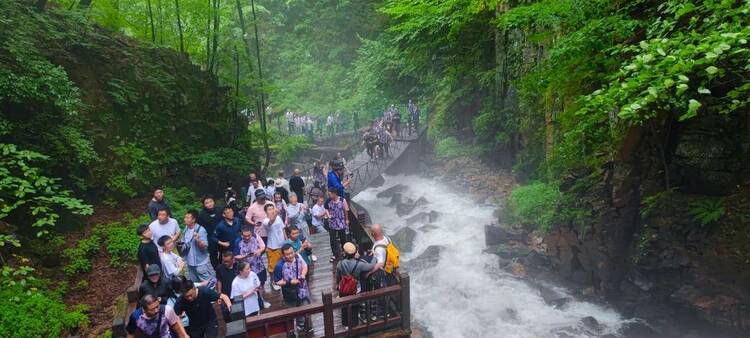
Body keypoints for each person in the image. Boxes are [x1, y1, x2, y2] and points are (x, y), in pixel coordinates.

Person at [273, 244, 311, 335]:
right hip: (290, 293)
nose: (290, 256)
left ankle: (305, 326)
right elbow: (277, 281)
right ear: (283, 255)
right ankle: (292, 331)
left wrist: (303, 274)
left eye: (291, 253)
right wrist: (290, 282)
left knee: (306, 309)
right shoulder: (279, 265)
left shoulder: (298, 257)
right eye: (287, 254)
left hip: (302, 289)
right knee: (291, 313)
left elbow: (305, 266)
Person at [336, 242, 375, 327]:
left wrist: (337, 286)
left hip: (343, 288)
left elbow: (338, 277)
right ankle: (354, 323)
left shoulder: (340, 263)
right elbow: (371, 266)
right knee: (354, 306)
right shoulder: (359, 264)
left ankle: (345, 324)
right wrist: (374, 256)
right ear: (354, 253)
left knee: (344, 305)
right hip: (355, 288)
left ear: (344, 253)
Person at [182, 210, 214, 285]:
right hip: (190, 262)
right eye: (185, 217)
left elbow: (204, 247)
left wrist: (198, 240)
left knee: (207, 283)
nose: (185, 219)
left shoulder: (201, 230)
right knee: (194, 284)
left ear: (193, 219)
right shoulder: (186, 228)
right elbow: (184, 242)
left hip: (200, 263)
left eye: (187, 217)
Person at [232, 226, 267, 290]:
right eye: (245, 236)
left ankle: (261, 296)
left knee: (261, 283)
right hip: (246, 268)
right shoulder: (238, 241)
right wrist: (246, 256)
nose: (247, 237)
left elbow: (263, 246)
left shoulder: (255, 236)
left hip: (258, 265)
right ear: (242, 235)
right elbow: (235, 256)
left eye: (249, 235)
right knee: (250, 285)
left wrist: (259, 251)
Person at [263, 204, 287, 291]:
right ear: (266, 212)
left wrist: (286, 240)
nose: (272, 211)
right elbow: (271, 221)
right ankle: (273, 281)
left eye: (273, 209)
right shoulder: (265, 221)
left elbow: (283, 229)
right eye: (269, 209)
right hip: (273, 247)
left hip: (282, 245)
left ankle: (281, 278)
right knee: (272, 266)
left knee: (283, 264)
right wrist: (276, 214)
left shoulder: (278, 218)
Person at [198, 195, 222, 268]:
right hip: (210, 237)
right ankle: (217, 269)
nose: (209, 204)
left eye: (211, 201)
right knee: (213, 255)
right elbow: (200, 228)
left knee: (224, 253)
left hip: (221, 236)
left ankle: (223, 267)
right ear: (204, 205)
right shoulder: (201, 214)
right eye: (206, 203)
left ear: (214, 201)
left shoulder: (220, 209)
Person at [326, 189, 349, 263]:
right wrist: (328, 214)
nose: (329, 196)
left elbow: (346, 210)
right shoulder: (328, 201)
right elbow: (326, 208)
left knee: (343, 238)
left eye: (330, 194)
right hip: (332, 222)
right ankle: (335, 254)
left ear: (334, 193)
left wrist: (346, 219)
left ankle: (345, 251)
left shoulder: (342, 200)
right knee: (332, 239)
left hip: (341, 222)